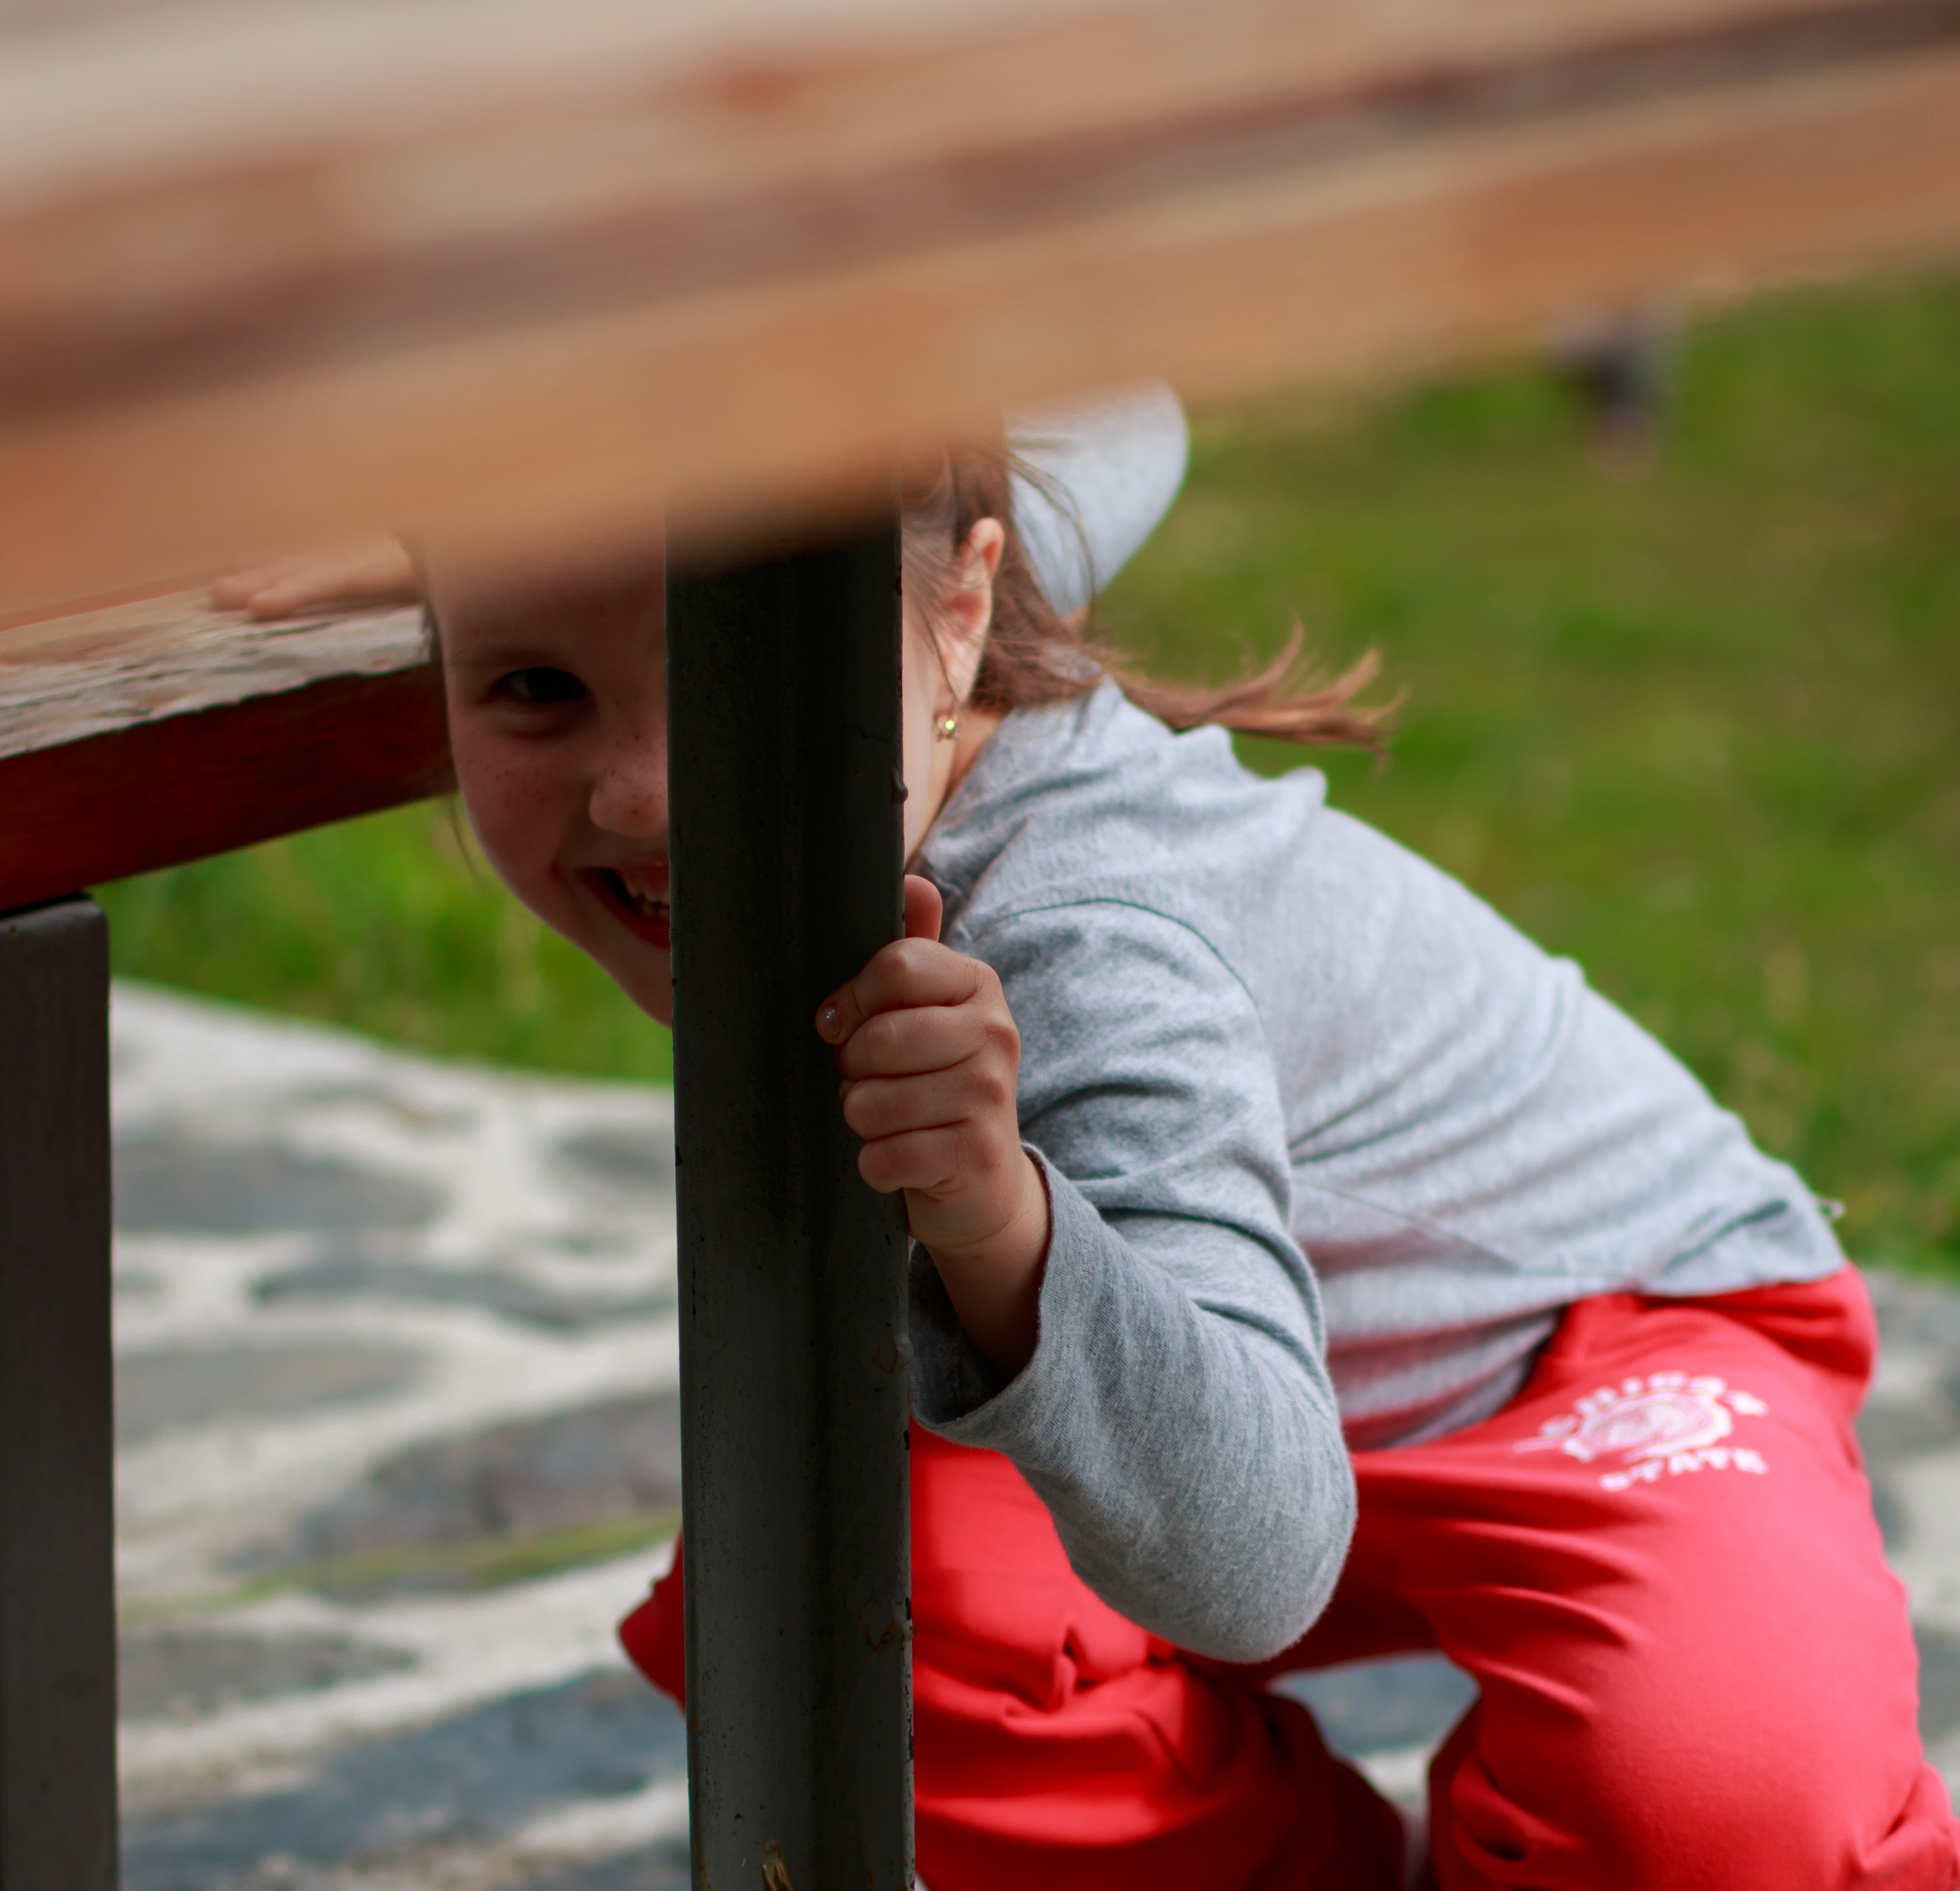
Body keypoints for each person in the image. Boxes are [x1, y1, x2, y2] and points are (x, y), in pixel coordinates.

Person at [216, 389, 1958, 1891]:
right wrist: (464, 522)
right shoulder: (900, 578)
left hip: (1580, 1345)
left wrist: (1004, 1225)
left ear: (968, 597)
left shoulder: (1088, 938)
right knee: (833, 1620)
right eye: (534, 683)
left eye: (732, 670)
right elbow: (1118, 410)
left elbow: (1255, 1563)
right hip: (1191, 1390)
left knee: (1723, 1805)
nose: (644, 789)